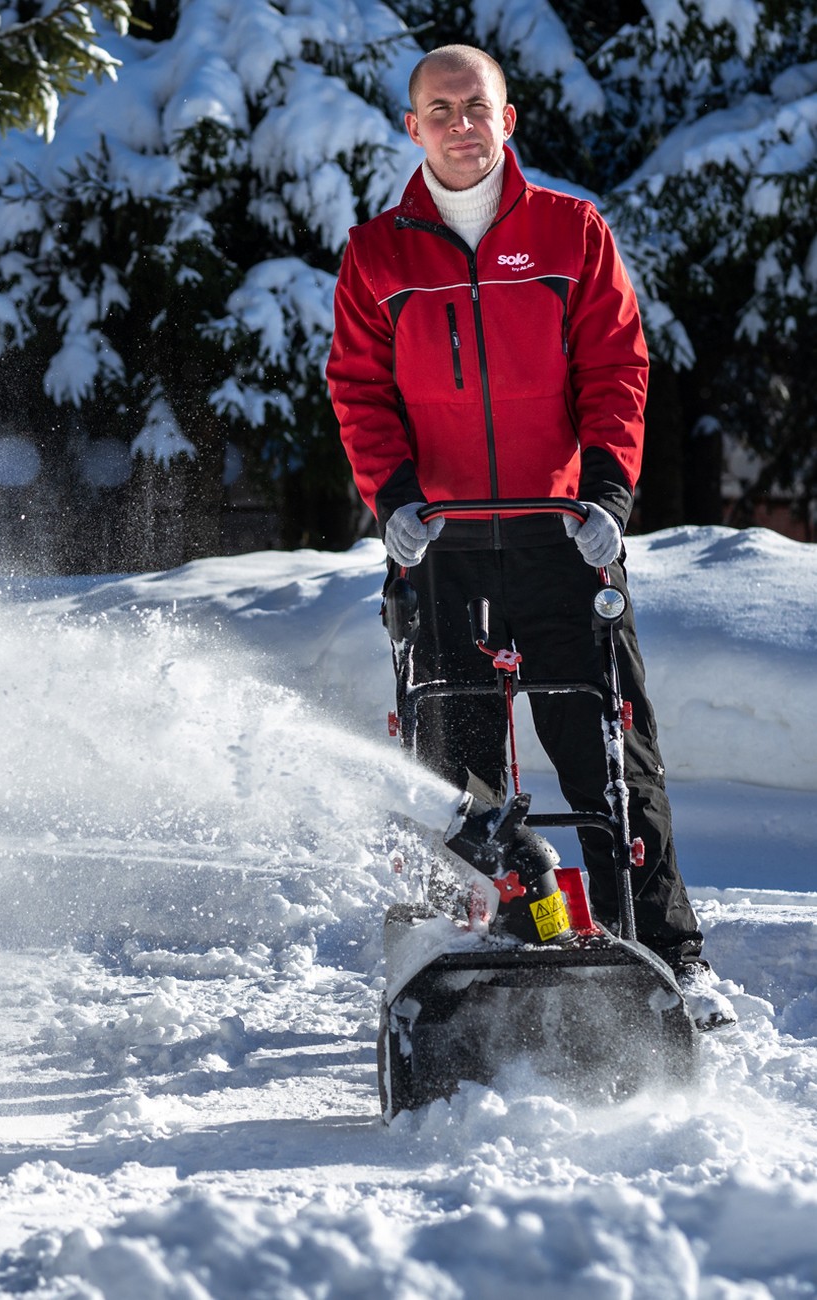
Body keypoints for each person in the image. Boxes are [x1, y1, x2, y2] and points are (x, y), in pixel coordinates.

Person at [325, 43, 736, 1030]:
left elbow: (615, 371)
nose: (459, 122)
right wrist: (394, 499)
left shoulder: (568, 233)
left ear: (507, 120)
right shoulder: (378, 255)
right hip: (444, 546)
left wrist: (604, 498)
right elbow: (359, 390)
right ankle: (482, 936)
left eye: (476, 106)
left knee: (608, 747)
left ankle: (672, 958)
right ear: (412, 126)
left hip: (564, 541)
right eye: (438, 108)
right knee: (455, 765)